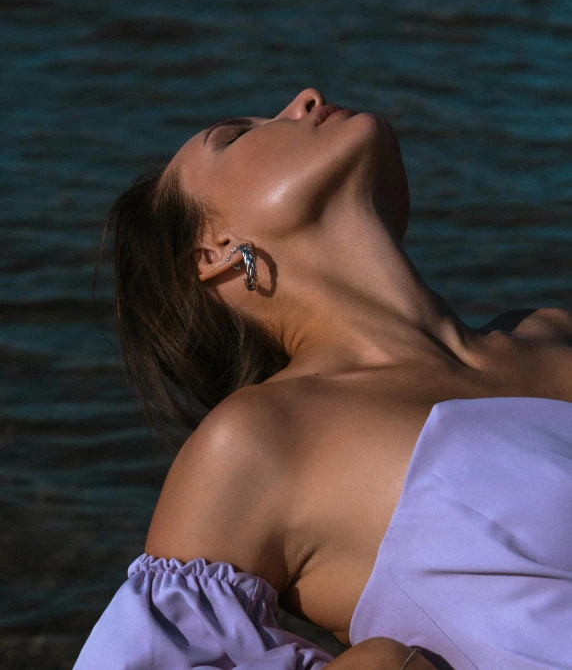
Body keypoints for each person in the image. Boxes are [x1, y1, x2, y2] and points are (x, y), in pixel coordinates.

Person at [76, 87, 572, 669]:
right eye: (237, 134)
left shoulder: (552, 330)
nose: (305, 97)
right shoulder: (263, 437)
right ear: (213, 252)